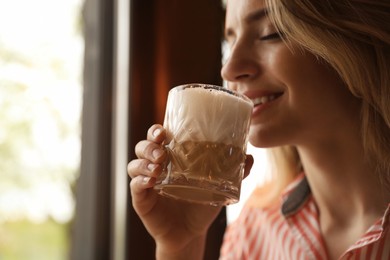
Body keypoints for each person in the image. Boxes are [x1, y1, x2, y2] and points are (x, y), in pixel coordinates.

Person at [127, 0, 390, 259]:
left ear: (354, 41)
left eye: (269, 34)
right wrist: (180, 248)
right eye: (229, 41)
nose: (229, 69)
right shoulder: (252, 233)